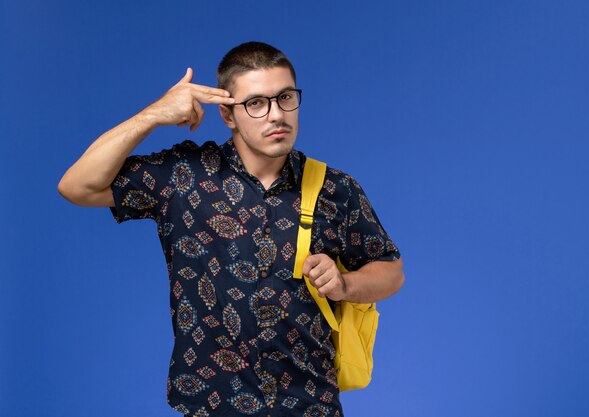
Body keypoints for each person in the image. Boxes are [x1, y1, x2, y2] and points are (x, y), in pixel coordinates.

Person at [58, 41, 404, 417]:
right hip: (210, 405)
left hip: (311, 405)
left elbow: (390, 271)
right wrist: (152, 116)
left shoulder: (335, 188)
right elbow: (77, 186)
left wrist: (345, 284)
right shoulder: (183, 175)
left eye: (285, 97)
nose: (276, 115)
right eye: (256, 103)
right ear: (227, 114)